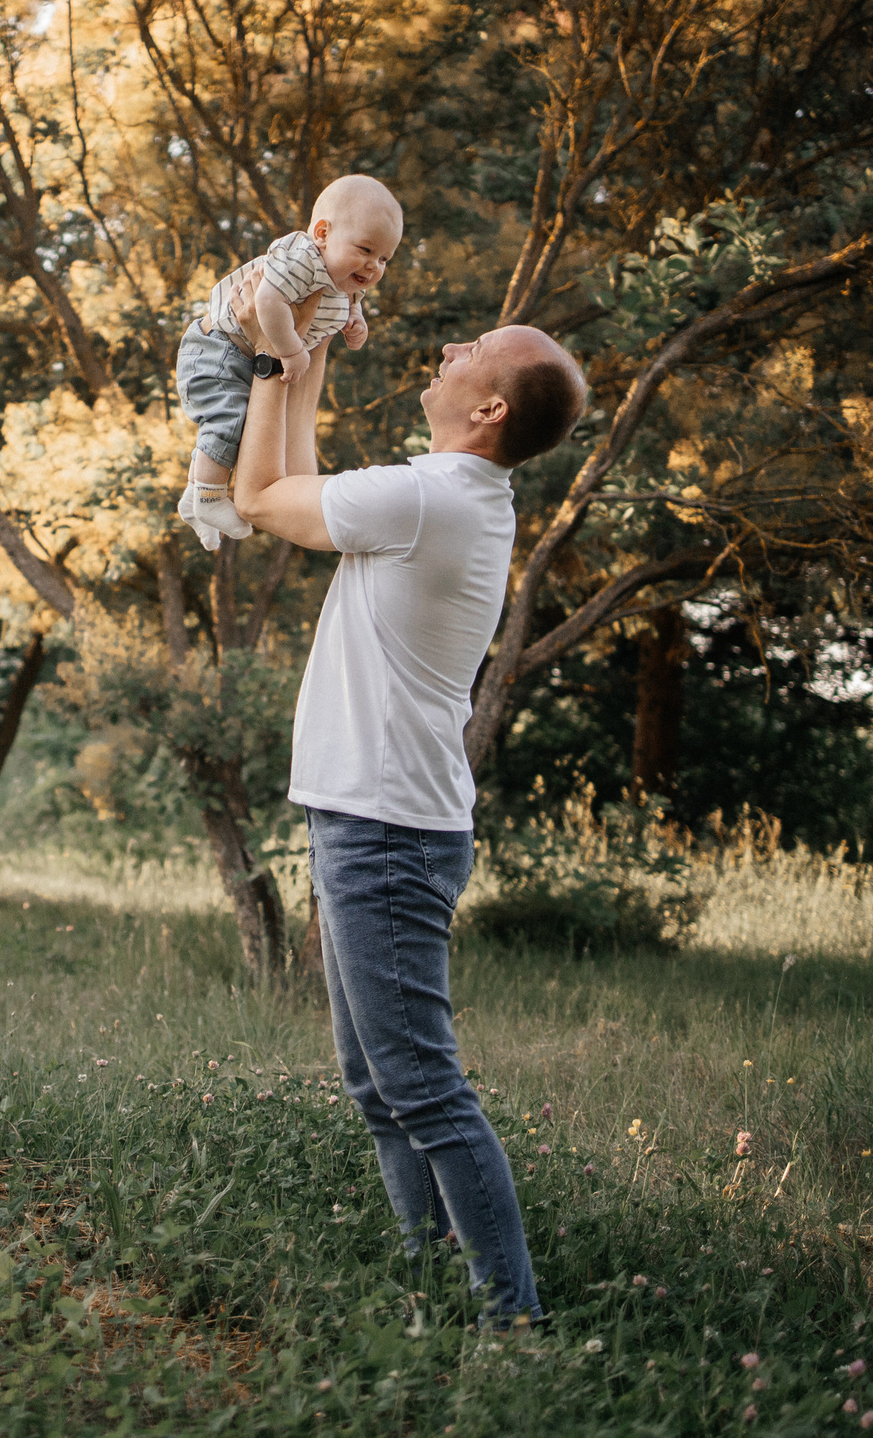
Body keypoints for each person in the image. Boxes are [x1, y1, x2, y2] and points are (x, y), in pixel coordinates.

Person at [231, 321, 587, 1326]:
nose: (452, 347)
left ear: (490, 409)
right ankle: (426, 1290)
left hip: (386, 829)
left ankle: (508, 1322)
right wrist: (304, 365)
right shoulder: (444, 497)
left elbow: (260, 498)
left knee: (421, 1090)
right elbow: (298, 483)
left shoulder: (426, 499)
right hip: (374, 818)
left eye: (476, 349)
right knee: (378, 1085)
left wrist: (266, 364)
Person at [172, 175, 400, 550]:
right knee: (228, 420)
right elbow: (267, 303)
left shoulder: (345, 279)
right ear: (322, 232)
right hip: (217, 348)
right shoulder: (302, 259)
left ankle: (195, 496)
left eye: (384, 258)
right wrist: (291, 351)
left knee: (243, 425)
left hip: (241, 355)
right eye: (365, 249)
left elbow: (348, 305)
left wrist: (355, 322)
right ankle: (210, 497)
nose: (373, 265)